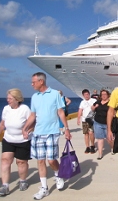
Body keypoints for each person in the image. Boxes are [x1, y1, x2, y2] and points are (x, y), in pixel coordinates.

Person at [22, 72, 72, 200]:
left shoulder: (55, 94)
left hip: (52, 132)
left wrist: (66, 129)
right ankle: (44, 188)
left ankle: (58, 175)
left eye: (33, 82)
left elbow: (60, 112)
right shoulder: (34, 97)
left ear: (41, 81)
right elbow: (33, 115)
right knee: (40, 161)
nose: (31, 84)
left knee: (51, 160)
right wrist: (25, 127)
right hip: (38, 133)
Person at [0, 89, 32, 196]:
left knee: (21, 162)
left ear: (17, 99)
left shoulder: (24, 109)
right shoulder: (6, 109)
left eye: (10, 98)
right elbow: (2, 123)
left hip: (23, 140)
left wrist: (27, 131)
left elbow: (32, 122)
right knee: (5, 160)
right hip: (8, 139)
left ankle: (23, 180)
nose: (8, 100)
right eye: (7, 98)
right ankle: (5, 186)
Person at [91, 89, 113, 160]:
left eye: (105, 94)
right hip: (98, 122)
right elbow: (92, 108)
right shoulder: (98, 102)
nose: (103, 96)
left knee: (109, 139)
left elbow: (114, 112)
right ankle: (100, 153)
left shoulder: (111, 103)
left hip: (107, 123)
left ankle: (112, 147)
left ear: (108, 95)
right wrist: (94, 107)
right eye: (102, 94)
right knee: (99, 138)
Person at [77, 89, 97, 154]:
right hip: (84, 120)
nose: (86, 96)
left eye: (87, 94)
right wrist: (78, 118)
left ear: (89, 94)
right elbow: (80, 110)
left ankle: (92, 145)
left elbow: (97, 107)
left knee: (91, 133)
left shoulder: (94, 100)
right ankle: (87, 147)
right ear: (83, 95)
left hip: (91, 119)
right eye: (85, 95)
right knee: (86, 134)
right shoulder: (82, 102)